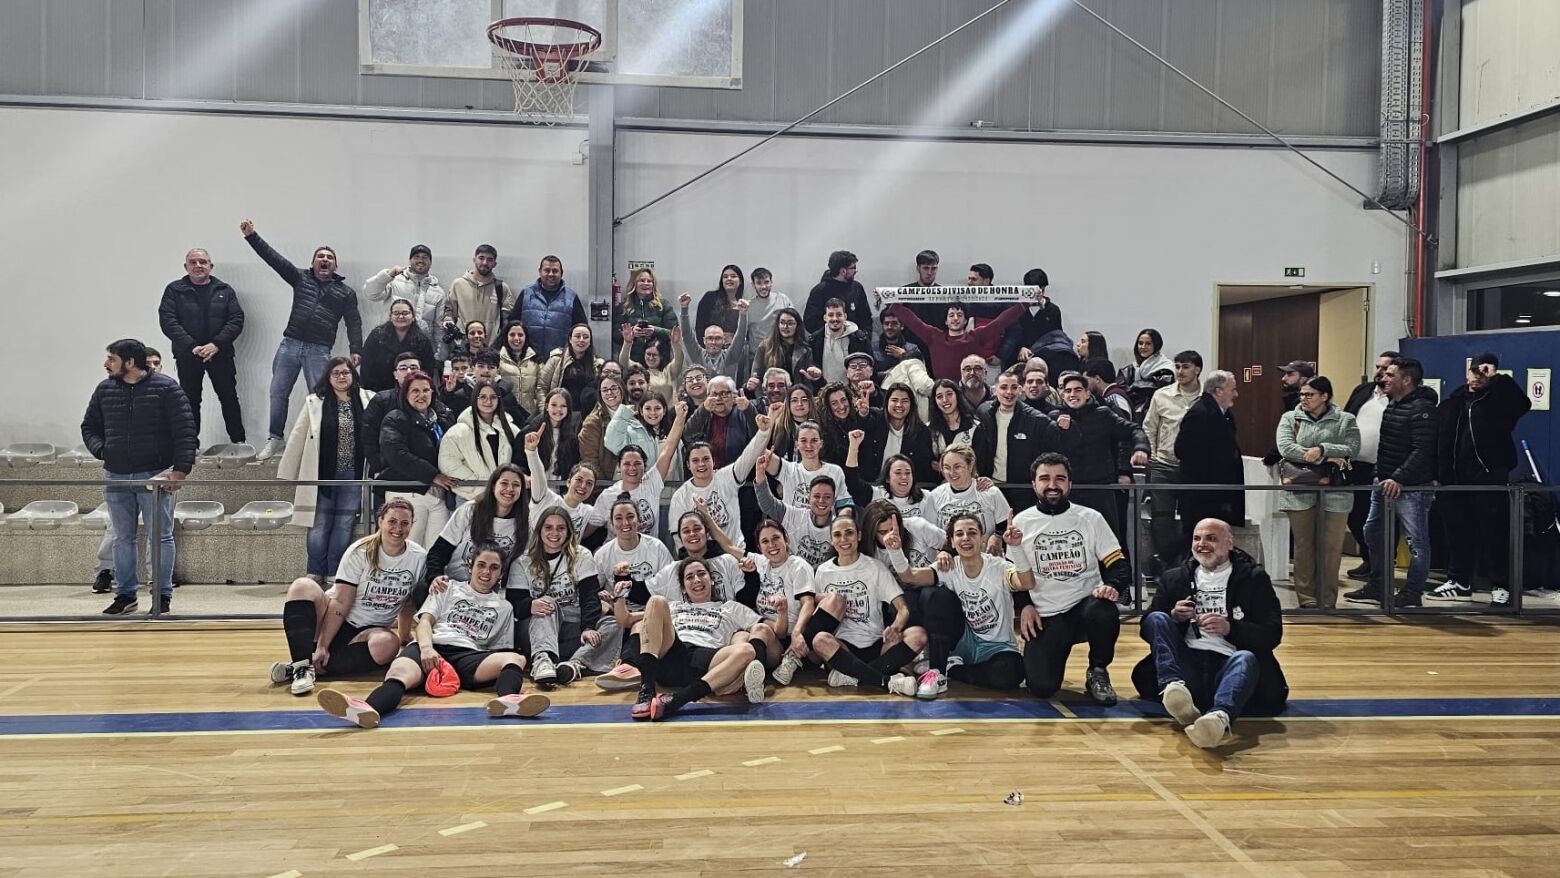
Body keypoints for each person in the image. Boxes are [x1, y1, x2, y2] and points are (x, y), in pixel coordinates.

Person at [316, 545, 550, 728]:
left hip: (468, 656)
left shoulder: (504, 607)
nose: (486, 572)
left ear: (501, 573)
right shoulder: (447, 588)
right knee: (399, 673)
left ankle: (510, 701)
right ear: (470, 566)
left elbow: (498, 649)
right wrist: (427, 649)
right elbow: (425, 622)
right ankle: (367, 709)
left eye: (494, 567)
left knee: (515, 658)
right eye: (481, 565)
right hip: (433, 646)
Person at [1131, 519, 1287, 749]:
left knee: (1245, 658)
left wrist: (1231, 628)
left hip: (1229, 665)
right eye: (1197, 538)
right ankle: (1174, 688)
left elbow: (1272, 633)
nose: (1202, 544)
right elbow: (1147, 629)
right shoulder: (1174, 577)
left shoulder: (1254, 578)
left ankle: (1218, 719)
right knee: (1157, 618)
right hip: (1187, 664)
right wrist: (1174, 617)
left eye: (1211, 538)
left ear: (1230, 543)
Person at [82, 338, 197, 615]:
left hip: (156, 474)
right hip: (116, 476)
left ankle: (162, 596)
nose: (106, 364)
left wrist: (180, 470)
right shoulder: (104, 389)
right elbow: (89, 427)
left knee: (161, 537)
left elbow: (185, 431)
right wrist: (104, 451)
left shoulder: (167, 388)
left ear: (130, 362)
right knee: (122, 538)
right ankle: (125, 596)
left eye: (112, 358)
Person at [270, 498, 427, 695]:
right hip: (333, 618)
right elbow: (341, 602)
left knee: (389, 644)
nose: (398, 528)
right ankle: (303, 666)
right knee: (301, 586)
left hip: (370, 630)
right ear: (380, 521)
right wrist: (323, 645)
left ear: (412, 525)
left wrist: (404, 636)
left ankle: (302, 667)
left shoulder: (418, 557)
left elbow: (408, 604)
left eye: (405, 523)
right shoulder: (360, 550)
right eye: (392, 521)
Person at [1008, 453, 1131, 703]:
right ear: (1034, 484)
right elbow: (1013, 572)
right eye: (1045, 478)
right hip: (1046, 615)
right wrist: (1025, 605)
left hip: (1084, 609)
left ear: (1070, 483)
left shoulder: (1091, 518)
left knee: (1103, 609)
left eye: (1060, 479)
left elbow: (1118, 564)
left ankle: (1098, 670)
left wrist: (1112, 586)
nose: (1052, 485)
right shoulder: (1021, 522)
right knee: (1041, 687)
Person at [240, 219, 363, 463]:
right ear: (313, 263)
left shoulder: (346, 293)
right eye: (320, 256)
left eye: (329, 257)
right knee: (278, 392)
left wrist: (356, 349)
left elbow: (354, 322)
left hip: (319, 350)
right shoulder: (300, 278)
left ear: (335, 265)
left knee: (319, 397)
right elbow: (274, 259)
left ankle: (319, 440)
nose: (325, 259)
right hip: (290, 344)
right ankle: (275, 438)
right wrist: (252, 236)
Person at [615, 557, 770, 720]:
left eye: (701, 574)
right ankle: (646, 690)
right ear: (683, 588)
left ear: (712, 580)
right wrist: (619, 597)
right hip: (672, 653)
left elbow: (765, 628)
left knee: (747, 650)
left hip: (708, 660)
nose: (696, 580)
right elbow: (625, 620)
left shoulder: (731, 607)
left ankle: (677, 700)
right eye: (689, 577)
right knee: (656, 601)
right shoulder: (674, 606)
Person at [1432, 352, 1531, 606]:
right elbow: (1439, 440)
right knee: (1457, 534)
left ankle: (1501, 585)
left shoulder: (1498, 403)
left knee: (1493, 534)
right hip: (1454, 480)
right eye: (1474, 370)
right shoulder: (1453, 403)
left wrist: (1497, 379)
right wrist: (1439, 475)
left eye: (1484, 371)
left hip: (1489, 478)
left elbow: (1522, 404)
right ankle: (1459, 581)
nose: (1478, 375)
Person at [802, 516, 929, 693]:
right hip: (842, 648)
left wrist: (896, 627)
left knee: (918, 635)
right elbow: (816, 612)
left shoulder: (875, 567)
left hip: (877, 643)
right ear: (831, 540)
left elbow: (903, 609)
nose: (844, 539)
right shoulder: (823, 571)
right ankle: (887, 681)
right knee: (820, 640)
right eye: (837, 535)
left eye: (849, 533)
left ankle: (853, 674)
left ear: (859, 536)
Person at [1349, 357, 1438, 608]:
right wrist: (1380, 473)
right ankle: (1378, 584)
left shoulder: (1422, 408)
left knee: (1416, 542)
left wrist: (1399, 477)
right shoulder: (1393, 405)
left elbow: (1423, 450)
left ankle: (1413, 592)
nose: (1384, 378)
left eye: (1390, 375)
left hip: (1412, 488)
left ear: (1406, 380)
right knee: (1372, 531)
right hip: (1383, 482)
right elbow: (1386, 445)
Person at [277, 357, 376, 581]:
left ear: (353, 375)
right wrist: (288, 470)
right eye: (336, 373)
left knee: (344, 524)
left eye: (345, 372)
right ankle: (314, 570)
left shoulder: (368, 399)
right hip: (322, 474)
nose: (341, 377)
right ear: (328, 377)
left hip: (354, 475)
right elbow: (298, 435)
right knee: (319, 523)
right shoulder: (315, 401)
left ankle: (334, 572)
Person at [1276, 376, 1360, 609]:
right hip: (1300, 489)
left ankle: (1327, 598)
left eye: (1309, 394)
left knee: (1331, 547)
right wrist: (1325, 458)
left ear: (1325, 396)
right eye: (1302, 394)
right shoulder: (1290, 418)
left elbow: (1352, 448)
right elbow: (1286, 448)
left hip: (1336, 491)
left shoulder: (1345, 420)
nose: (1304, 399)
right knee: (1303, 546)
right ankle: (1307, 598)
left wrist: (1322, 449)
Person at [923, 514, 1029, 693]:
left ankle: (952, 670)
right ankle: (938, 669)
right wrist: (895, 552)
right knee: (933, 594)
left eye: (972, 533)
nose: (966, 538)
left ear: (982, 539)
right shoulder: (950, 565)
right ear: (952, 541)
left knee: (1012, 672)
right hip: (964, 641)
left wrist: (1016, 548)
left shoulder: (999, 567)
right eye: (959, 534)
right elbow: (911, 577)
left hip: (997, 646)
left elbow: (1026, 583)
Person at [508, 506, 605, 687]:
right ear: (539, 530)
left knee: (612, 624)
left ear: (568, 531)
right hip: (535, 629)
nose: (554, 533)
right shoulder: (522, 561)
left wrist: (588, 627)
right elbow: (513, 604)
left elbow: (590, 597)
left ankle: (572, 664)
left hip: (571, 629)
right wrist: (529, 605)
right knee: (547, 603)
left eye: (561, 528)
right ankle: (542, 659)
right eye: (548, 527)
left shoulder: (582, 555)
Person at [158, 247, 246, 443]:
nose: (198, 265)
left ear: (211, 266)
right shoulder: (174, 290)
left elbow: (236, 320)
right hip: (188, 355)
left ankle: (239, 442)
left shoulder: (225, 290)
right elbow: (168, 321)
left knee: (229, 398)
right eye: (193, 262)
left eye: (203, 262)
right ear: (186, 267)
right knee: (189, 401)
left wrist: (216, 344)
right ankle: (191, 445)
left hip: (220, 354)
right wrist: (192, 346)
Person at [1052, 371, 1148, 539]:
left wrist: (1141, 449)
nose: (1072, 394)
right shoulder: (1053, 417)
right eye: (1068, 391)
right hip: (1068, 490)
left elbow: (1134, 430)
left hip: (1100, 489)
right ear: (1062, 395)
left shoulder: (1103, 414)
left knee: (1107, 538)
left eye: (1078, 390)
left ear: (1087, 393)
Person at [669, 415, 771, 552]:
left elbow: (748, 456)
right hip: (701, 558)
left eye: (706, 459)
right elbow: (678, 538)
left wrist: (763, 432)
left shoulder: (727, 477)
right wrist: (693, 560)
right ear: (688, 465)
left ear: (714, 461)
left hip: (734, 554)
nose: (701, 464)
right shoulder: (680, 496)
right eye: (695, 460)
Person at [378, 371, 457, 547]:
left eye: (426, 390)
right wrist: (432, 475)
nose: (422, 395)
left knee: (436, 551)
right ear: (405, 394)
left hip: (438, 496)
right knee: (407, 549)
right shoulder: (395, 419)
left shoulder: (441, 419)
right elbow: (396, 454)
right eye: (415, 391)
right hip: (407, 493)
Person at [1143, 350, 1204, 565]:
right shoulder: (1162, 395)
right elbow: (1149, 428)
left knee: (1192, 519)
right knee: (1161, 520)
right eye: (1177, 366)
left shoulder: (1206, 397)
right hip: (1163, 465)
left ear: (1197, 370)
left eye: (1186, 367)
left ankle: (1190, 564)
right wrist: (1152, 456)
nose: (1180, 371)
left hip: (1194, 468)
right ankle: (1168, 566)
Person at [1341, 351, 1397, 581]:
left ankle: (1382, 566)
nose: (1380, 372)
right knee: (1354, 515)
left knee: (1380, 520)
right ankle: (1368, 558)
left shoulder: (1400, 397)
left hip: (1382, 469)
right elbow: (1346, 418)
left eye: (1385, 369)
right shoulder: (1363, 391)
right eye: (1378, 367)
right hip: (1355, 465)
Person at [426, 465, 525, 593]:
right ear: (493, 486)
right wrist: (435, 577)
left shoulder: (524, 521)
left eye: (516, 485)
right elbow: (439, 550)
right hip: (455, 582)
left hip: (491, 590)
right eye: (504, 483)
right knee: (421, 590)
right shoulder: (470, 510)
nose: (510, 489)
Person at [971, 365, 1072, 486]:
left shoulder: (1037, 419)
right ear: (994, 390)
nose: (1009, 392)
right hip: (990, 485)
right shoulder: (984, 411)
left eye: (1014, 387)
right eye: (1004, 387)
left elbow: (1058, 449)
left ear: (1020, 390)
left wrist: (1069, 429)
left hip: (1022, 488)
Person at [589, 414, 685, 540]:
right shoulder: (607, 496)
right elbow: (587, 530)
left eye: (637, 463)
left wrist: (680, 416)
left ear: (645, 466)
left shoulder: (651, 483)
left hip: (648, 549)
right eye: (627, 464)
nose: (632, 468)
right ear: (619, 467)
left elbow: (668, 450)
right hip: (616, 550)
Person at [747, 518, 819, 685]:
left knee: (760, 628)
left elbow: (808, 602)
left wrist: (797, 633)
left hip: (792, 637)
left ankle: (790, 661)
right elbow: (731, 547)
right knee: (755, 629)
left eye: (776, 538)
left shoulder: (798, 565)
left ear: (786, 539)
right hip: (773, 633)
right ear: (759, 547)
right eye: (765, 541)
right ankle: (752, 681)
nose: (771, 545)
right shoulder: (762, 562)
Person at [1174, 370, 1244, 542]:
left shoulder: (1224, 413)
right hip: (1202, 497)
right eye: (1232, 390)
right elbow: (1182, 450)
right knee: (1199, 542)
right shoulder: (1200, 413)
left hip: (1217, 495)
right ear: (1219, 391)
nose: (1236, 394)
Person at [888, 299, 1025, 382]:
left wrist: (1025, 303)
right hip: (942, 390)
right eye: (951, 315)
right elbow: (913, 321)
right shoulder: (934, 336)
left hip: (970, 389)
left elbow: (1000, 322)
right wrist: (891, 302)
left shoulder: (975, 336)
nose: (955, 318)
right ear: (946, 321)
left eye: (959, 315)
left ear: (965, 320)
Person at [439, 378, 522, 503]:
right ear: (475, 399)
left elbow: (521, 460)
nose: (488, 401)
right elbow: (448, 463)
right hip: (470, 499)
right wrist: (480, 488)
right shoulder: (457, 432)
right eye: (483, 397)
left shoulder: (511, 429)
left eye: (493, 397)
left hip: (505, 499)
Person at [753, 448, 836, 567]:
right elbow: (769, 505)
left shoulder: (839, 527)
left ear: (834, 501)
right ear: (809, 499)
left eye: (827, 497)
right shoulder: (795, 516)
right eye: (816, 496)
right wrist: (760, 473)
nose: (821, 501)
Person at [926, 443, 1012, 554]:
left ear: (970, 466)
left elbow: (1007, 524)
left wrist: (998, 536)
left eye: (957, 467)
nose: (952, 473)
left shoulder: (990, 492)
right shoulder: (935, 496)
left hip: (986, 559)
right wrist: (944, 551)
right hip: (949, 561)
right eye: (947, 467)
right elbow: (930, 533)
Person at [363, 245, 447, 358]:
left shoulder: (439, 292)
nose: (421, 260)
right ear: (409, 260)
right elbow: (370, 294)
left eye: (425, 257)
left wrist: (439, 356)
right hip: (390, 347)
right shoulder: (394, 280)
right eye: (416, 257)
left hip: (420, 350)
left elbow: (438, 327)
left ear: (430, 262)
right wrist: (388, 274)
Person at [363, 351, 425, 494]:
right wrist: (379, 466)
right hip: (389, 474)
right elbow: (368, 437)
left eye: (413, 367)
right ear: (395, 374)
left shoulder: (430, 398)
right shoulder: (381, 400)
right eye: (403, 368)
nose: (409, 371)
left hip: (424, 475)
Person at [442, 245, 516, 354]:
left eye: (490, 260)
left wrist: (500, 343)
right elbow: (449, 311)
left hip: (491, 348)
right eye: (481, 258)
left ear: (494, 264)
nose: (485, 262)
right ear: (474, 260)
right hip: (462, 347)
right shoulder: (458, 284)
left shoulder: (501, 288)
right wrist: (448, 321)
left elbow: (507, 320)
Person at [757, 419, 846, 507]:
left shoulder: (835, 471)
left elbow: (844, 505)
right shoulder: (787, 470)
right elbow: (758, 449)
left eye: (814, 440)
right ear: (797, 444)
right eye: (803, 440)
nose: (809, 445)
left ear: (821, 443)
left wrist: (843, 516)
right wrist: (764, 429)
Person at [515, 254, 587, 359]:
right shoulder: (526, 294)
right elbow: (512, 325)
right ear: (540, 272)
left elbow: (582, 330)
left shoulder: (571, 298)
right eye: (547, 270)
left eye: (555, 271)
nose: (551, 274)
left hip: (559, 360)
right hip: (527, 359)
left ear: (561, 273)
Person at [360, 298, 438, 393]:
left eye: (405, 313)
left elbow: (427, 371)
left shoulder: (422, 341)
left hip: (411, 392)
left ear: (413, 317)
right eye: (396, 313)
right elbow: (366, 366)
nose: (400, 316)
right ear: (390, 317)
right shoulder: (377, 336)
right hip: (378, 390)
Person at [607, 389, 686, 480]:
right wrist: (623, 414)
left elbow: (678, 468)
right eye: (648, 408)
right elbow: (612, 444)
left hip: (668, 488)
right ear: (641, 411)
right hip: (636, 487)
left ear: (664, 411)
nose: (653, 412)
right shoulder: (630, 432)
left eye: (657, 408)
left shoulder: (672, 434)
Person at [684, 376, 759, 469]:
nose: (718, 398)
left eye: (723, 394)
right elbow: (688, 435)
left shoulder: (743, 413)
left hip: (740, 471)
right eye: (714, 394)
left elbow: (759, 438)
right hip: (708, 472)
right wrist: (703, 409)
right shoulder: (703, 414)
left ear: (734, 396)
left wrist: (749, 410)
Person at [998, 267, 1064, 367]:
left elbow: (1056, 338)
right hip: (1014, 361)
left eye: (1040, 290)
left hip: (1044, 362)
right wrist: (1020, 348)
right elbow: (1008, 336)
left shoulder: (1052, 311)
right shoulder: (1014, 308)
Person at [680, 293, 750, 381]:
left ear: (724, 340)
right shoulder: (698, 355)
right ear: (704, 340)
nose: (713, 342)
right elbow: (687, 335)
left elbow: (741, 335)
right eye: (710, 338)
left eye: (718, 338)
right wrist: (684, 308)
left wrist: (743, 314)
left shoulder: (731, 356)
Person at [616, 267, 679, 363]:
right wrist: (631, 333)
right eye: (642, 280)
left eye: (649, 281)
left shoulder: (663, 305)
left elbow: (674, 333)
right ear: (634, 283)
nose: (646, 283)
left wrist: (655, 331)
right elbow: (615, 334)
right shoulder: (624, 307)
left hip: (659, 360)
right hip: (632, 360)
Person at [538, 324, 605, 413]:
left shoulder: (598, 365)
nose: (581, 340)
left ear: (590, 342)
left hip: (587, 415)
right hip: (559, 413)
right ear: (570, 339)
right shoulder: (556, 359)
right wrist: (546, 412)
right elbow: (542, 388)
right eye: (577, 336)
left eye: (585, 337)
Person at [803, 250, 872, 335]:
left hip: (855, 340)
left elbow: (866, 318)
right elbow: (810, 322)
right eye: (853, 267)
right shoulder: (819, 291)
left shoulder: (857, 288)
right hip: (828, 340)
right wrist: (835, 332)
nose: (855, 271)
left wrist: (864, 337)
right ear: (843, 271)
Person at [521, 388, 582, 481]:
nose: (558, 409)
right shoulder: (530, 432)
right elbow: (519, 463)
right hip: (534, 486)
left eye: (563, 406)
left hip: (559, 487)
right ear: (546, 406)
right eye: (554, 405)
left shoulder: (572, 437)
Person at [808, 299, 872, 384]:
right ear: (825, 317)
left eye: (839, 315)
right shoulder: (814, 340)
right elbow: (812, 365)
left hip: (852, 389)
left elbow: (871, 366)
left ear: (845, 316)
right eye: (831, 315)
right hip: (823, 389)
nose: (835, 319)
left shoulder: (860, 339)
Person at [750, 307, 815, 388]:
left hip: (796, 393)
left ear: (797, 326)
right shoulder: (765, 346)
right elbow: (756, 378)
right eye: (782, 322)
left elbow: (808, 382)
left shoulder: (806, 350)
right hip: (771, 393)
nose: (785, 326)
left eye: (790, 323)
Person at [1121, 328, 1176, 423]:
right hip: (1131, 419)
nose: (1143, 347)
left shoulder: (1166, 369)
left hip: (1158, 418)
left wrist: (1132, 387)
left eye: (1148, 344)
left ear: (1156, 345)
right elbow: (1120, 392)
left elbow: (1154, 388)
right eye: (1140, 343)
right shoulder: (1129, 369)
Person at [578, 373, 625, 479]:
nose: (609, 393)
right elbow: (590, 461)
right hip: (606, 482)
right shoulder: (592, 422)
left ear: (622, 390)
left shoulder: (633, 415)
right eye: (604, 390)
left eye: (614, 388)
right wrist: (606, 485)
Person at [622, 327, 684, 405]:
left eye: (654, 355)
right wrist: (627, 343)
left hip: (668, 411)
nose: (651, 358)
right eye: (648, 354)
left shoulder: (669, 371)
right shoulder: (639, 370)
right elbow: (624, 362)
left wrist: (675, 344)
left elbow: (679, 358)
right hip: (643, 411)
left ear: (661, 356)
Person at [495, 321, 543, 418]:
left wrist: (542, 412)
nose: (516, 338)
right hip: (504, 414)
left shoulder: (536, 361)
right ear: (506, 337)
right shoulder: (496, 359)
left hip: (530, 415)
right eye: (512, 335)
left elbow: (541, 388)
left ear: (526, 337)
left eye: (520, 335)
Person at [743, 267, 795, 351]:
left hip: (782, 352)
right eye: (759, 283)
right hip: (756, 354)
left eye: (766, 282)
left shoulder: (782, 299)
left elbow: (795, 324)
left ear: (771, 282)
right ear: (753, 285)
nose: (763, 286)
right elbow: (742, 333)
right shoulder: (748, 306)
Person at [928, 378, 980, 460]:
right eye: (939, 397)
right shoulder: (929, 429)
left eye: (949, 394)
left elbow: (981, 461)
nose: (945, 400)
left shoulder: (975, 427)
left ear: (957, 396)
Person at [694, 264, 747, 340]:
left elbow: (745, 331)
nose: (729, 279)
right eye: (725, 277)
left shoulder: (743, 304)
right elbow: (699, 327)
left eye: (733, 276)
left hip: (735, 346)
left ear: (740, 281)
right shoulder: (709, 298)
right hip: (711, 345)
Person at [874, 308, 924, 375]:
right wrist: (885, 374)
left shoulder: (912, 348)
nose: (889, 327)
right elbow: (869, 375)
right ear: (882, 326)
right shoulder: (873, 348)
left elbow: (921, 372)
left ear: (902, 326)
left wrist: (905, 356)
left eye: (894, 323)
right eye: (886, 323)